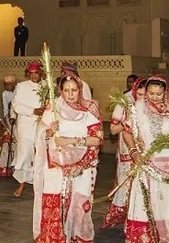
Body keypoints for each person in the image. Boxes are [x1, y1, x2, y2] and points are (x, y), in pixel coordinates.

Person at [33, 74, 103, 242]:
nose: (70, 94)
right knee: (56, 202)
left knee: (79, 206)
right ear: (61, 91)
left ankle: (76, 237)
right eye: (66, 90)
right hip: (57, 167)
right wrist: (49, 131)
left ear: (80, 89)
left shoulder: (90, 109)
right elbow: (41, 136)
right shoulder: (53, 109)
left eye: (74, 90)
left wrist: (72, 141)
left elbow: (98, 139)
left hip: (82, 167)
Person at [122, 76, 169, 243]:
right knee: (144, 207)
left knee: (167, 206)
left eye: (158, 94)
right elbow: (126, 131)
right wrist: (134, 152)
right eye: (151, 93)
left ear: (165, 92)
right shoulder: (137, 108)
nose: (154, 97)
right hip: (146, 165)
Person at [103, 76, 146, 228]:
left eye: (144, 95)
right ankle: (119, 216)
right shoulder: (124, 104)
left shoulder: (150, 108)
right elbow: (113, 130)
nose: (142, 98)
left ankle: (137, 218)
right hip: (127, 151)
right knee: (125, 183)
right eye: (139, 95)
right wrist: (125, 122)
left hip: (145, 153)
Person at [12, 61, 43, 197]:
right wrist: (33, 111)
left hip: (42, 124)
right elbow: (16, 105)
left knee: (40, 154)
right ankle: (21, 184)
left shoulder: (47, 86)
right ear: (27, 74)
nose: (34, 76)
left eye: (36, 73)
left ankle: (39, 184)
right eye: (31, 73)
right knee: (24, 154)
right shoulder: (21, 86)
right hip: (25, 124)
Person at [0, 75, 17, 178]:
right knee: (6, 143)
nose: (8, 86)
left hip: (20, 120)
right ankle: (5, 167)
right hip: (9, 122)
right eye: (6, 84)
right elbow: (5, 110)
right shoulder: (4, 94)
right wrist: (7, 124)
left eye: (10, 84)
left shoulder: (19, 91)